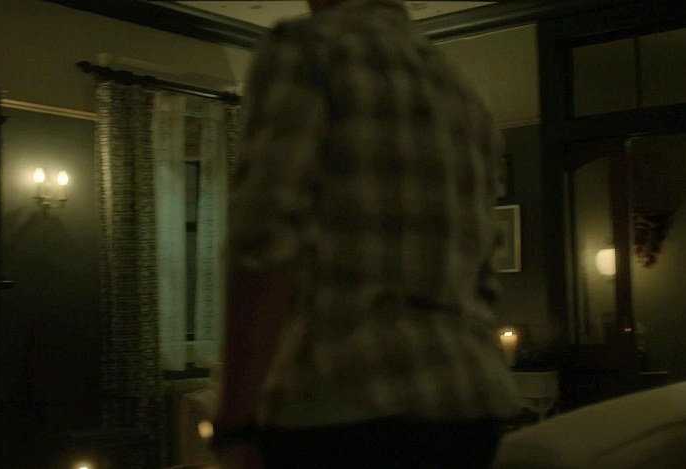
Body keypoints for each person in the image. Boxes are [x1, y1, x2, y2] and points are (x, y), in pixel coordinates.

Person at [215, 0, 522, 467]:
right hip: (467, 402)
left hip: (343, 404)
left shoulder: (309, 49)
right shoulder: (461, 89)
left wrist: (235, 425)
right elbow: (481, 272)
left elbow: (266, 242)